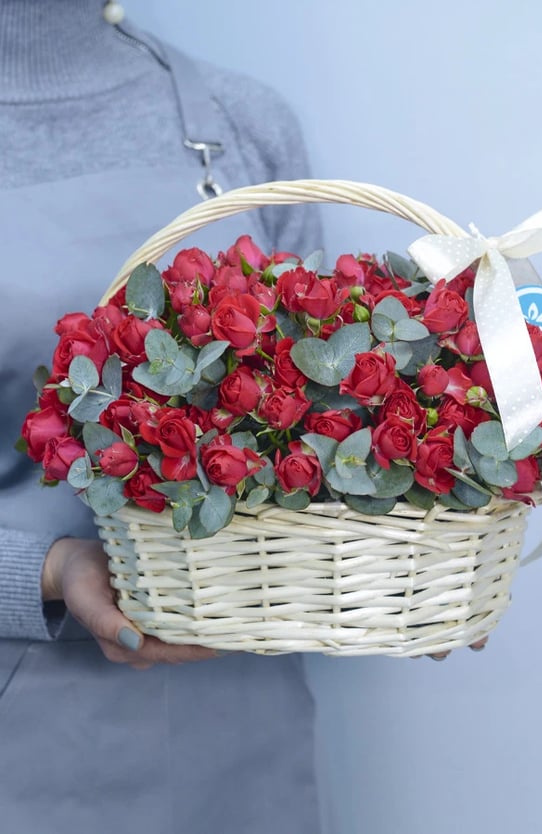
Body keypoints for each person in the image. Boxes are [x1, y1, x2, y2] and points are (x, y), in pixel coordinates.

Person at [0, 2, 322, 831]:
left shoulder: (240, 122)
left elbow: (322, 429)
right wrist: (49, 568)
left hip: (243, 739)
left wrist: (409, 558)